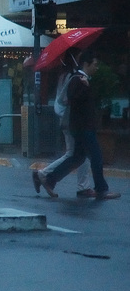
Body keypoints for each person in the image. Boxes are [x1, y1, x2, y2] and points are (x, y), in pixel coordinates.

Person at [38, 51, 121, 200]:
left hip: (81, 127)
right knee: (96, 156)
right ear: (86, 64)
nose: (97, 68)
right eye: (95, 65)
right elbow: (73, 99)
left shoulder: (82, 80)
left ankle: (50, 180)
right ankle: (101, 189)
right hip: (83, 128)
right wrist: (86, 87)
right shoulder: (77, 79)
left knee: (77, 158)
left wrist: (87, 85)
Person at [32, 48, 93, 197]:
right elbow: (67, 98)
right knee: (76, 154)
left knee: (77, 154)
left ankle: (46, 176)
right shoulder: (72, 77)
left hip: (70, 119)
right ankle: (44, 175)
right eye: (78, 56)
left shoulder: (67, 75)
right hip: (71, 120)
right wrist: (84, 87)